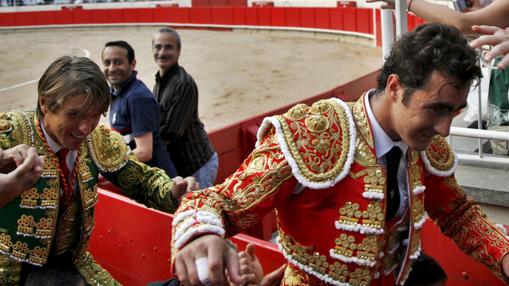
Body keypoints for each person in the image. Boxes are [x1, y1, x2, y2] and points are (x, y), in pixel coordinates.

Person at [171, 24, 509, 286]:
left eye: (455, 111)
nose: (445, 129)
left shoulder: (425, 142)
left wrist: (504, 255)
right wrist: (200, 234)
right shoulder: (316, 133)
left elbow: (457, 214)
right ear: (395, 87)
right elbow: (217, 202)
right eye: (435, 109)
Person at [0, 56, 197, 285]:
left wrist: (171, 191)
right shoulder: (10, 134)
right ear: (45, 104)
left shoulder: (97, 141)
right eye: (73, 114)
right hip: (9, 270)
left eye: (94, 115)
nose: (85, 127)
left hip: (73, 264)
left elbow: (141, 180)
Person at [152, 27, 218, 188]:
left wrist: (142, 149)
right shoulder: (160, 82)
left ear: (178, 51)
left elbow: (170, 132)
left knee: (198, 212)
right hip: (185, 168)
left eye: (168, 47)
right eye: (158, 47)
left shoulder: (183, 83)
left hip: (196, 166)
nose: (162, 52)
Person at [102, 40, 177, 176]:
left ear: (132, 64)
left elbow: (144, 152)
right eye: (107, 63)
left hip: (157, 182)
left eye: (118, 62)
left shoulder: (137, 98)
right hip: (141, 178)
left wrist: (106, 168)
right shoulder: (116, 91)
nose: (112, 68)